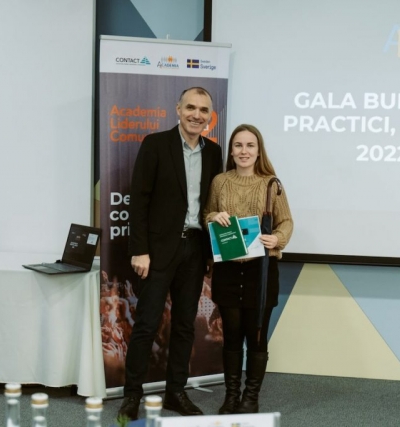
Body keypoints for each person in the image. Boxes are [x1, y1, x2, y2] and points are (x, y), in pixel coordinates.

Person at [117, 87, 224, 420]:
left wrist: (212, 253)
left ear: (210, 116)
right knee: (147, 324)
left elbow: (212, 204)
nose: (196, 115)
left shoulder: (214, 152)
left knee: (184, 326)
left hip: (195, 248)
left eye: (203, 110)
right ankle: (132, 396)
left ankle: (175, 393)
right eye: (191, 107)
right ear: (177, 109)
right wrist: (140, 251)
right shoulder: (155, 144)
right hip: (158, 251)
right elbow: (139, 201)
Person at [203, 124, 293, 414]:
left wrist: (277, 239)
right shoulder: (220, 182)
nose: (244, 151)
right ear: (231, 151)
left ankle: (250, 397)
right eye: (238, 145)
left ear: (258, 151)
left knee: (256, 336)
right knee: (230, 335)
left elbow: (286, 221)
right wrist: (214, 216)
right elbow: (206, 214)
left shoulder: (271, 184)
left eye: (250, 145)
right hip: (228, 269)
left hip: (261, 270)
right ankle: (231, 396)